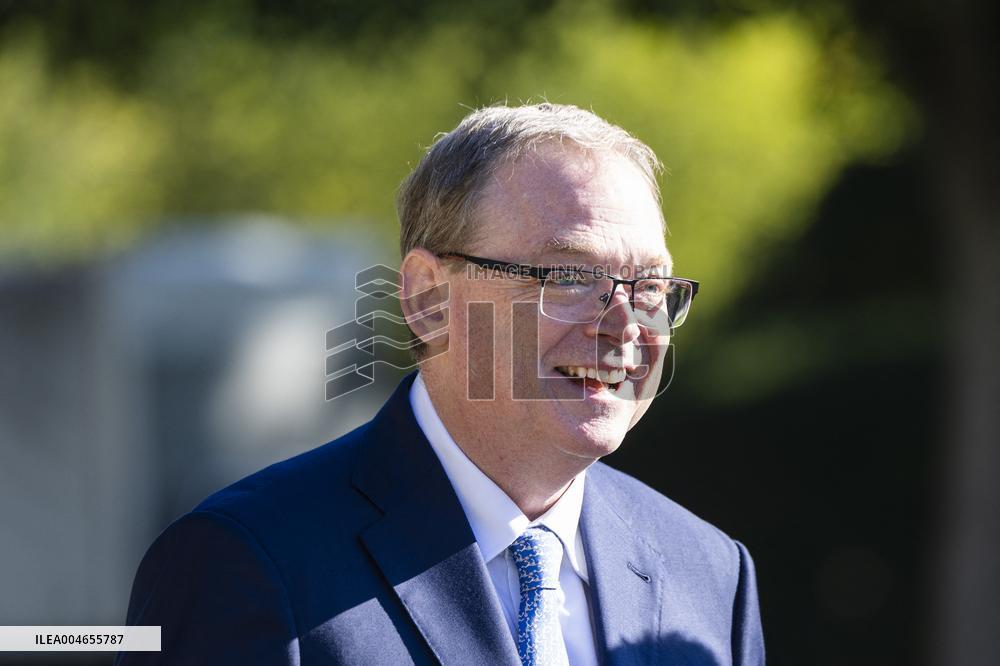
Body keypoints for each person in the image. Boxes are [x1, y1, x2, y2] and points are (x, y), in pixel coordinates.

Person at [117, 103, 765, 665]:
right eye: (570, 276)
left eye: (650, 286)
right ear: (429, 298)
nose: (625, 325)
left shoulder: (709, 576)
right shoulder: (248, 565)